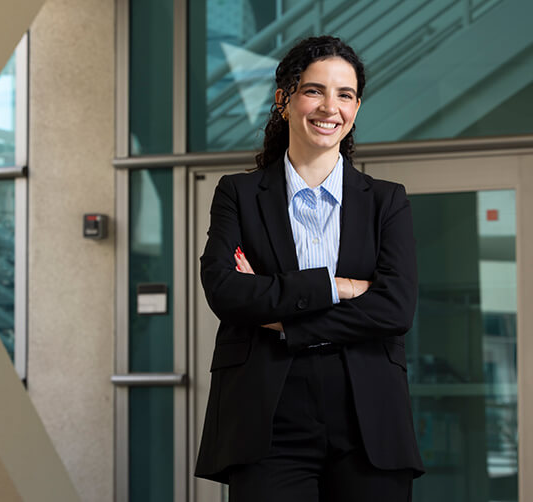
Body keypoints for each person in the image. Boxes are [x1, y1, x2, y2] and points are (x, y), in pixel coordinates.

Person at [194, 35, 424, 501]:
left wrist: (282, 316)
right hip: (266, 415)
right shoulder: (237, 194)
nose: (330, 107)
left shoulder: (386, 201)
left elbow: (395, 310)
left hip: (368, 415)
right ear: (284, 99)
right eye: (314, 90)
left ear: (356, 108)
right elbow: (225, 292)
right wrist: (337, 286)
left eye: (345, 94)